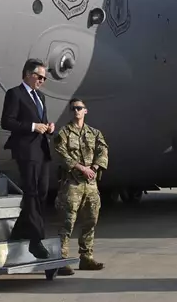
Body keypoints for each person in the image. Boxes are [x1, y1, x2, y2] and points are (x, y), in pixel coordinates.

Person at [0, 58, 55, 259]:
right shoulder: (15, 94)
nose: (42, 81)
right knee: (31, 191)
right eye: (39, 77)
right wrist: (32, 126)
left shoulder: (40, 97)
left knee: (41, 192)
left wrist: (48, 127)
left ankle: (19, 231)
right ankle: (36, 240)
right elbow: (7, 121)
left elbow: (41, 122)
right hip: (25, 150)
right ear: (28, 75)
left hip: (41, 149)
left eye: (44, 78)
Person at [53, 98, 109, 275]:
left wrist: (94, 167)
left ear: (86, 111)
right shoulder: (63, 132)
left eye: (79, 108)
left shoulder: (94, 133)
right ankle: (62, 261)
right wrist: (82, 168)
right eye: (73, 109)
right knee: (67, 223)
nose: (76, 111)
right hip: (72, 184)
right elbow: (62, 154)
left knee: (90, 221)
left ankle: (86, 258)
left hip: (91, 184)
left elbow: (103, 150)